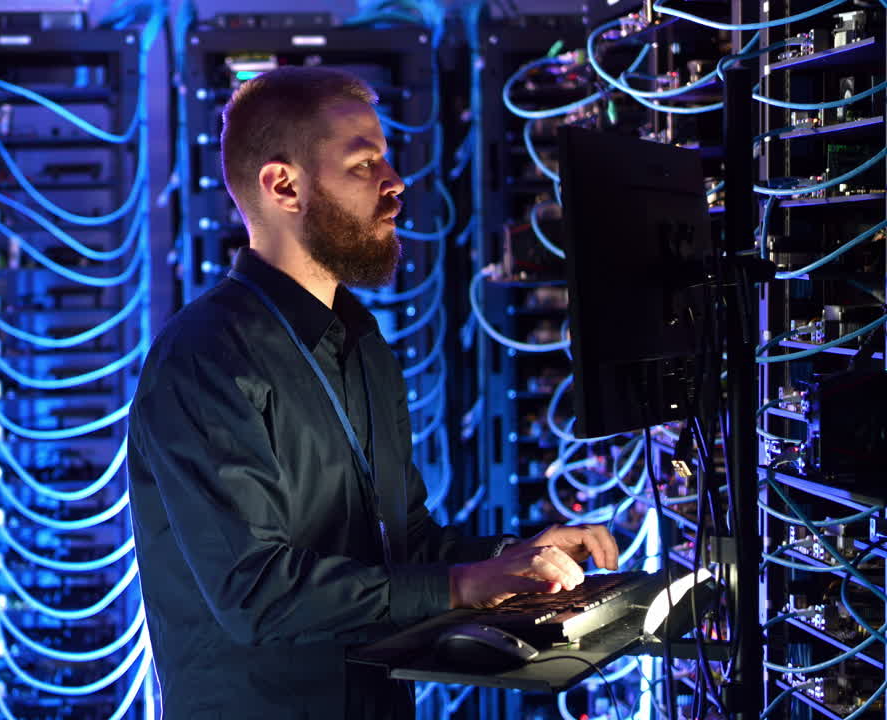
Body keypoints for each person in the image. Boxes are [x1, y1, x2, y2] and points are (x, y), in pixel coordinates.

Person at [126, 66, 621, 719]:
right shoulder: (205, 359)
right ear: (284, 186)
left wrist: (519, 557)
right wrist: (464, 585)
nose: (395, 184)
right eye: (364, 166)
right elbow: (255, 592)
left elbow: (404, 545)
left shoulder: (361, 343)